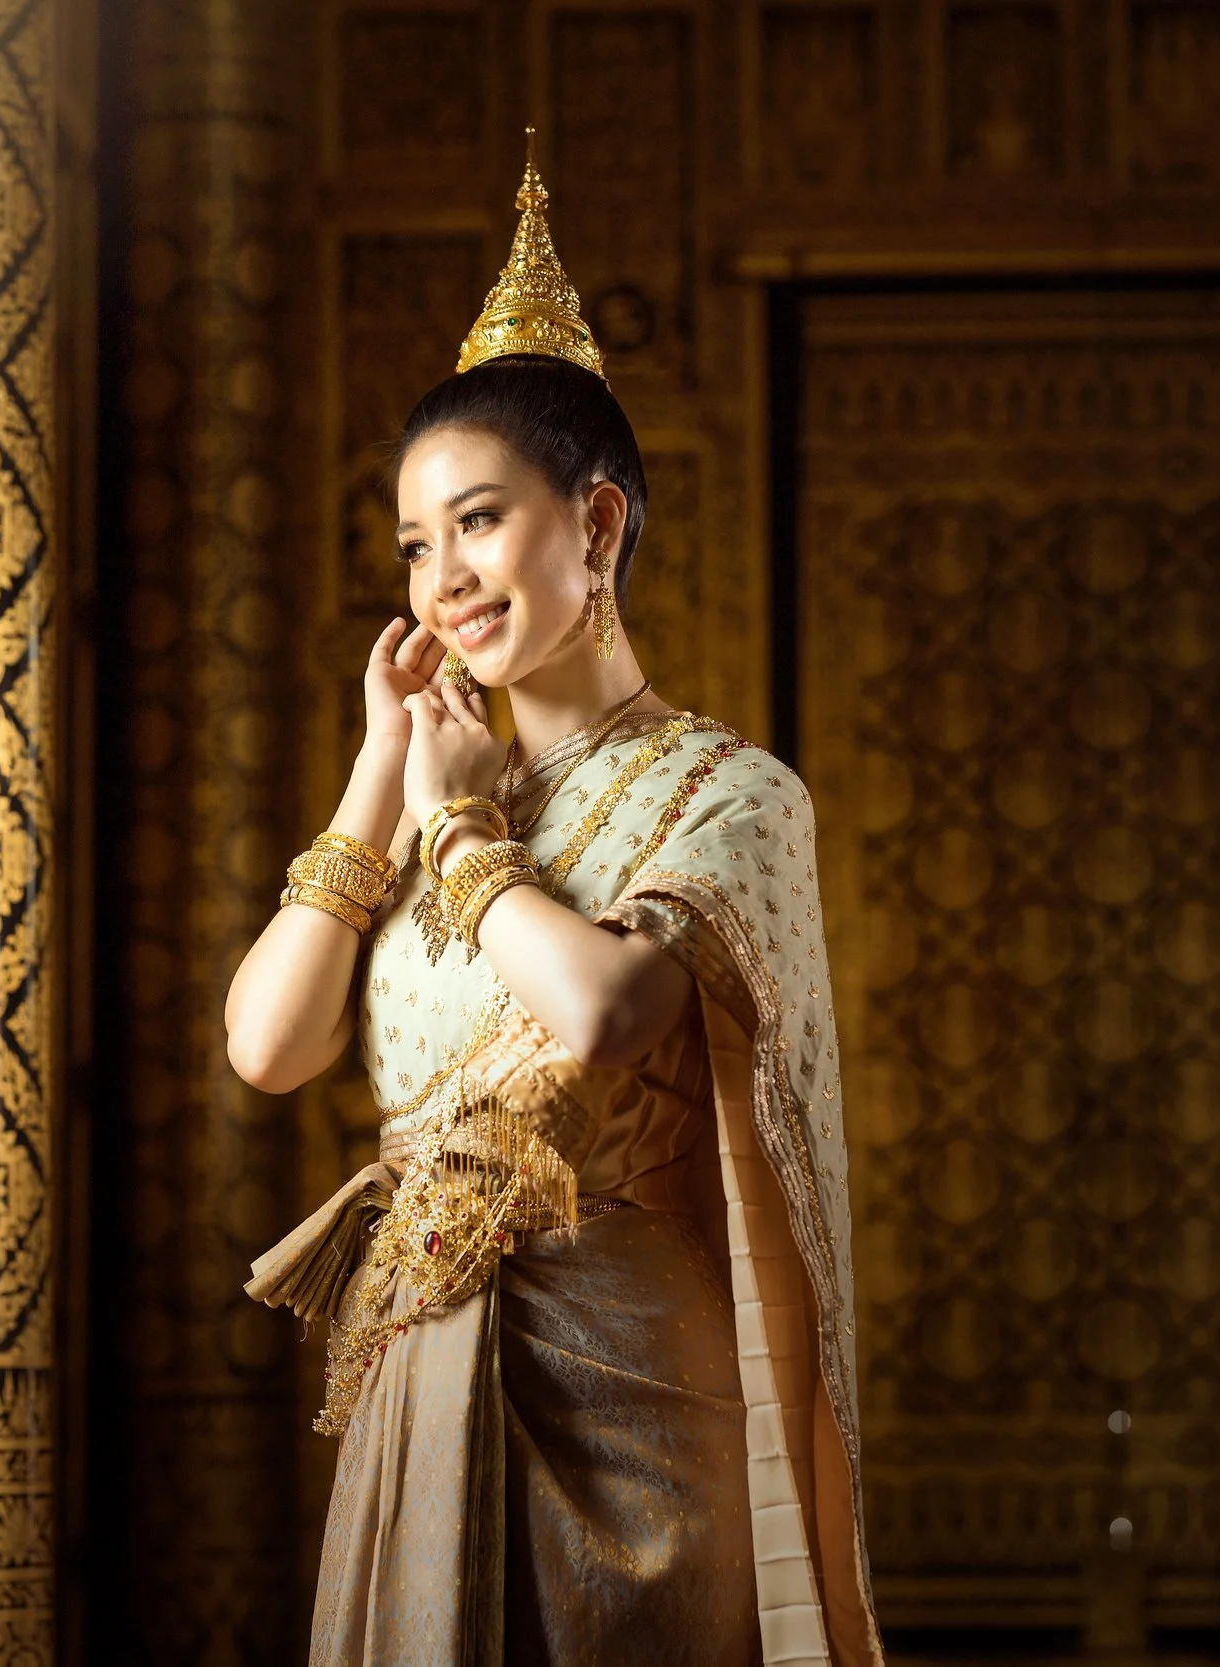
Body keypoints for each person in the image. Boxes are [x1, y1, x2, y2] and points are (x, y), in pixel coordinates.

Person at [223, 138, 884, 1667]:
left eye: (477, 519)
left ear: (594, 527)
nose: (440, 574)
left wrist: (459, 827)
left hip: (637, 1421)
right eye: (411, 540)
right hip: (420, 1389)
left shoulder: (733, 795)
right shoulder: (428, 786)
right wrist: (379, 772)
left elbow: (601, 1010)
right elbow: (267, 1044)